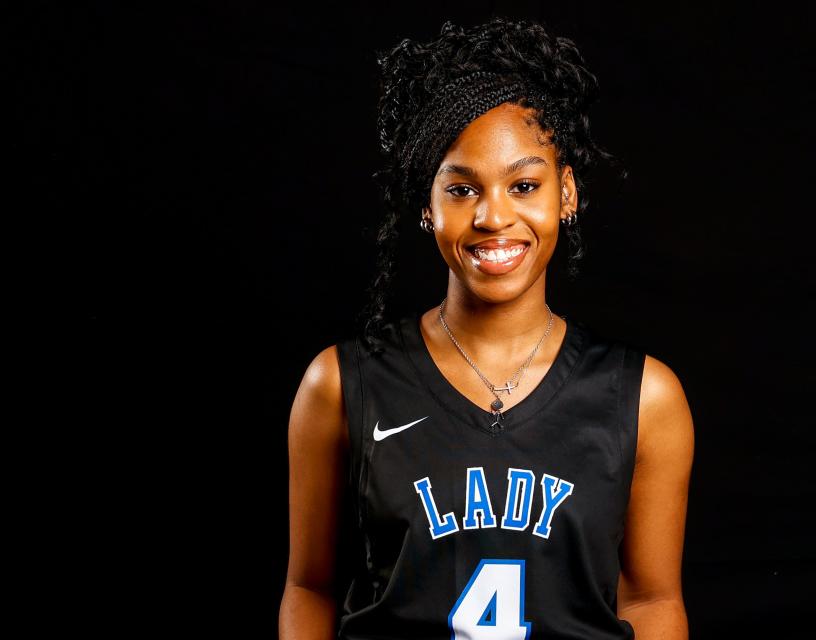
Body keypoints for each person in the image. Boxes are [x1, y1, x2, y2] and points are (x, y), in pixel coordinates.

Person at [280, 17, 694, 640]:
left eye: (524, 185)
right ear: (428, 205)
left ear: (567, 194)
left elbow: (652, 602)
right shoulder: (340, 384)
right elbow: (309, 587)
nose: (493, 215)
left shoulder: (644, 396)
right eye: (462, 188)